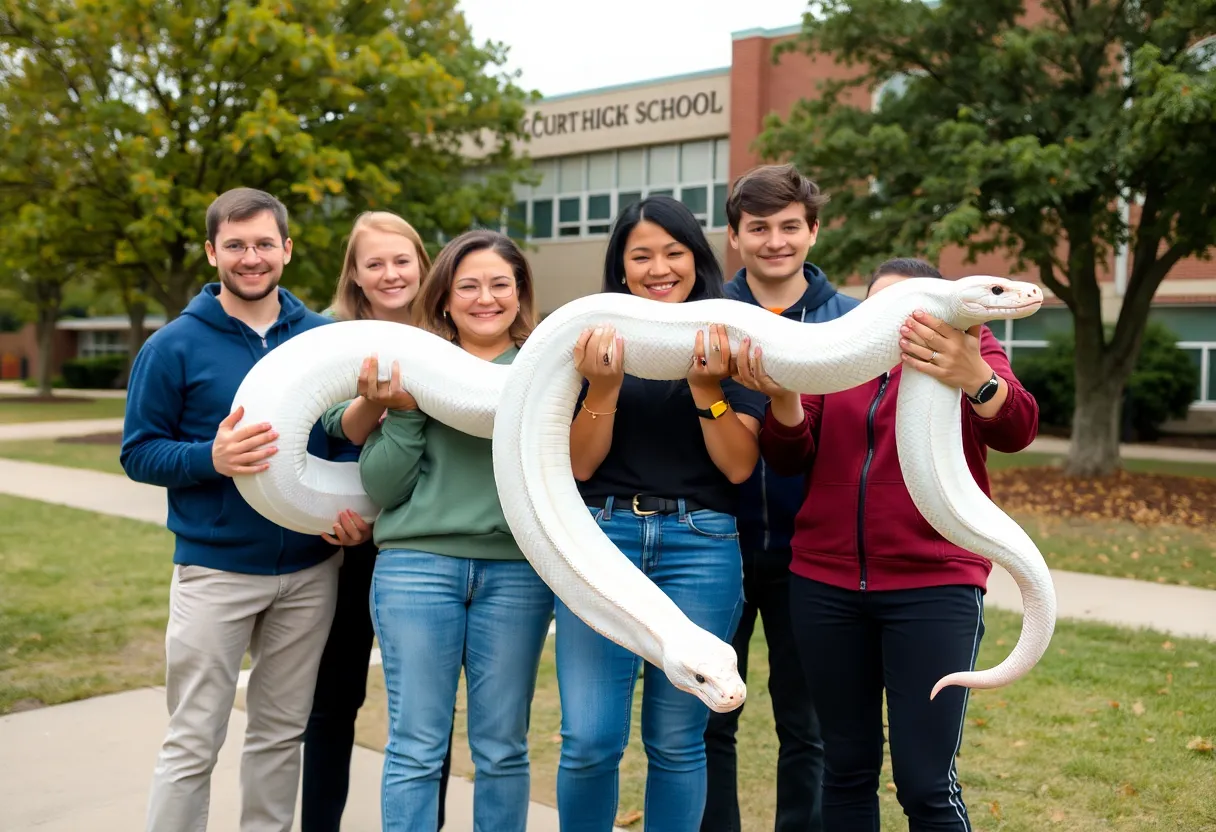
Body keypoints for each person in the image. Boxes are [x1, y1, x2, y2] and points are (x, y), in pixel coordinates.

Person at [735, 258, 1040, 830]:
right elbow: (788, 454)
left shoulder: (971, 345)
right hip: (824, 585)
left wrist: (976, 377)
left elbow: (1017, 428)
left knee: (925, 782)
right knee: (845, 770)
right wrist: (783, 399)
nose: (896, 318)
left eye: (909, 304)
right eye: (878, 305)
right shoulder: (843, 354)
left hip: (934, 585)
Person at [120, 187, 371, 832]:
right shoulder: (172, 347)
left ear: (287, 249)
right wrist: (213, 457)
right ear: (212, 252)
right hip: (216, 572)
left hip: (311, 572)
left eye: (264, 243)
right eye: (235, 245)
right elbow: (140, 452)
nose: (250, 257)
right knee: (193, 740)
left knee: (280, 735)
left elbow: (341, 439)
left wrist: (349, 509)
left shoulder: (323, 338)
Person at [557, 194, 767, 831]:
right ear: (620, 268)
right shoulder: (587, 343)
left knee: (677, 742)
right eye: (640, 255)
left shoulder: (729, 338)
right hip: (602, 541)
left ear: (696, 258)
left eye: (673, 252)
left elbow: (737, 466)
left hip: (700, 544)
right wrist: (603, 386)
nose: (658, 268)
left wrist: (708, 390)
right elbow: (580, 466)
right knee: (590, 740)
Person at [358, 229, 554, 832]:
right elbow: (383, 488)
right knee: (416, 746)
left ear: (521, 295)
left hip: (516, 574)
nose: (485, 298)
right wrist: (408, 413)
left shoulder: (546, 372)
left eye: (500, 284)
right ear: (444, 297)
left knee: (502, 748)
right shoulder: (415, 366)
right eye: (467, 286)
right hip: (417, 569)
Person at [703, 163, 857, 832]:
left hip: (814, 555)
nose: (775, 241)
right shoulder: (705, 322)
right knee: (709, 718)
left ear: (813, 231)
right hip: (716, 546)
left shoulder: (852, 323)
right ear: (734, 237)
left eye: (789, 227)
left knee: (809, 726)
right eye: (758, 228)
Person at [302, 211, 453, 832]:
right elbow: (319, 439)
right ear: (355, 276)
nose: (390, 274)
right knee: (334, 703)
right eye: (374, 264)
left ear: (422, 264)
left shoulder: (452, 335)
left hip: (425, 544)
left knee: (427, 712)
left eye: (401, 261)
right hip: (349, 544)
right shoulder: (327, 341)